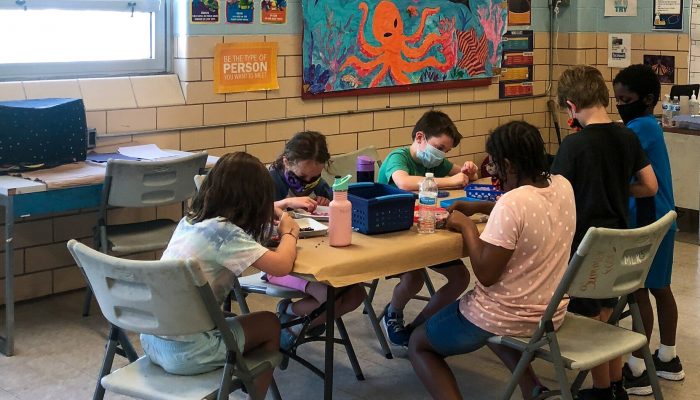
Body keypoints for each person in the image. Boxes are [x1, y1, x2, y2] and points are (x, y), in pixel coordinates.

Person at [408, 120, 575, 400]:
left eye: (495, 165)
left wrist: (466, 226)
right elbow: (527, 208)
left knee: (419, 344)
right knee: (496, 320)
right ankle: (533, 388)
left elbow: (485, 273)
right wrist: (482, 207)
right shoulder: (562, 186)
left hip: (506, 314)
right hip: (550, 311)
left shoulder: (513, 204)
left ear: (509, 164)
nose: (494, 172)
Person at [140, 152, 299, 399]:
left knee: (227, 317)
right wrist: (290, 233)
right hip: (187, 352)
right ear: (253, 202)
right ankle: (252, 386)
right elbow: (281, 265)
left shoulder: (189, 221)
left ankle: (239, 376)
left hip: (152, 338)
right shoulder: (227, 235)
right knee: (269, 323)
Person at [552, 65, 658, 400]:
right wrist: (616, 189)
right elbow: (650, 186)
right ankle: (614, 385)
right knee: (606, 317)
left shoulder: (573, 146)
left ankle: (600, 390)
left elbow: (552, 195)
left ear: (571, 107)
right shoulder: (627, 136)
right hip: (620, 246)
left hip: (586, 247)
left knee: (589, 319)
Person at [376, 110, 479, 347]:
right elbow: (404, 182)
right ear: (420, 137)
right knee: (414, 279)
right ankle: (393, 313)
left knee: (461, 277)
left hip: (426, 231)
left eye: (446, 152)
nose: (441, 156)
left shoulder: (436, 162)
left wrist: (468, 172)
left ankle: (421, 325)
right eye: (439, 147)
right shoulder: (398, 157)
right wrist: (450, 181)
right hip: (393, 236)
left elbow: (461, 175)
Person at [613, 64, 684, 395]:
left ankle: (638, 368)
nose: (620, 105)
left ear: (648, 99)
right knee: (660, 288)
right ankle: (667, 357)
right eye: (616, 99)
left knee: (638, 290)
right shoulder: (648, 126)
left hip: (645, 220)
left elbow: (611, 162)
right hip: (664, 220)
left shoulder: (638, 128)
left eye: (625, 99)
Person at [267, 131, 366, 350]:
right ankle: (291, 328)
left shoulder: (317, 183)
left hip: (316, 256)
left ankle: (290, 321)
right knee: (330, 295)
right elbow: (259, 222)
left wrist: (325, 202)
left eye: (315, 176)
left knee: (356, 294)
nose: (309, 182)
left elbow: (333, 211)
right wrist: (286, 203)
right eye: (303, 177)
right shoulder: (268, 182)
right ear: (286, 161)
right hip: (280, 263)